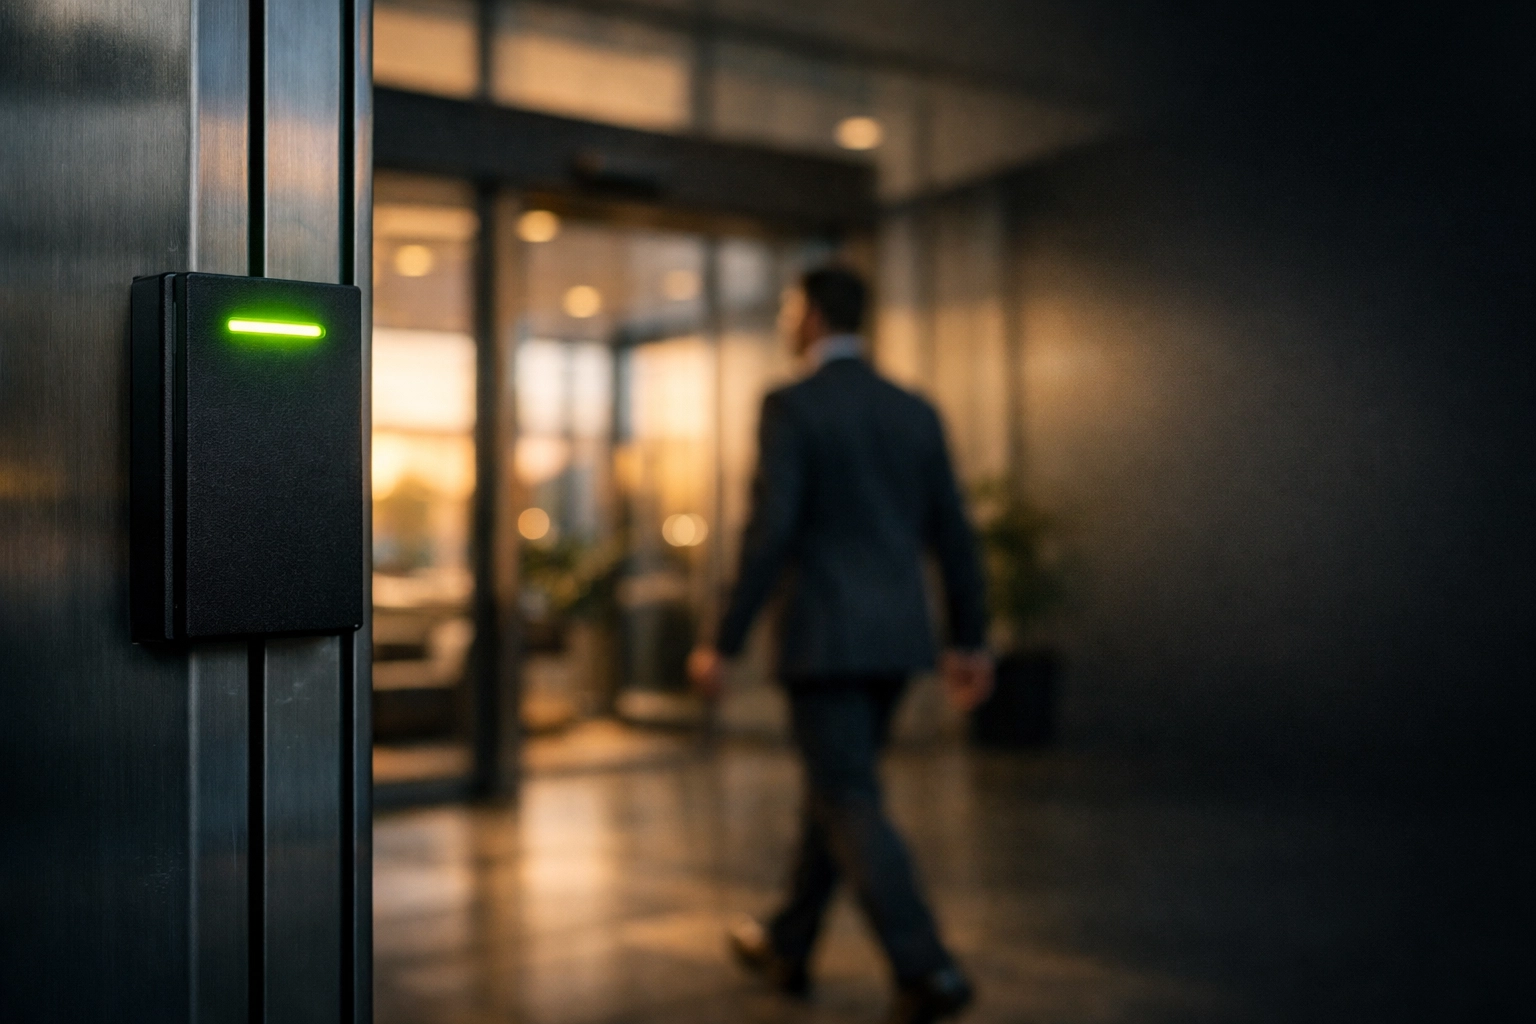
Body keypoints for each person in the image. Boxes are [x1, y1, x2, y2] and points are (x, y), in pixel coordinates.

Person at [688, 266, 993, 1024]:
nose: (788, 321)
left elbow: (771, 528)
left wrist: (721, 639)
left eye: (791, 308)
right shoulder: (913, 408)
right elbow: (953, 533)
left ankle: (927, 969)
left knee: (848, 794)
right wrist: (971, 639)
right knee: (837, 787)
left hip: (824, 636)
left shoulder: (791, 405)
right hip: (896, 638)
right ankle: (786, 939)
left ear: (813, 315)